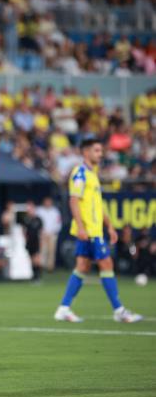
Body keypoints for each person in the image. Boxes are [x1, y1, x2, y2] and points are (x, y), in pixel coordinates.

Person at [54, 135, 142, 323]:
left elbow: (98, 206)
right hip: (89, 231)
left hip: (95, 230)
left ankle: (63, 308)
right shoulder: (80, 173)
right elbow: (73, 200)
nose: (100, 154)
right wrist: (81, 227)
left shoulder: (92, 174)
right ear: (85, 152)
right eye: (96, 150)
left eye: (101, 150)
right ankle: (119, 311)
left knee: (83, 266)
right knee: (106, 264)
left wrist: (109, 226)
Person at [36, 197, 61, 272]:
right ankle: (41, 266)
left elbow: (58, 223)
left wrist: (53, 231)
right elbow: (37, 222)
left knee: (51, 251)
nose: (47, 203)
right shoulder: (39, 210)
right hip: (42, 234)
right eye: (46, 202)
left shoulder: (55, 211)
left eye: (49, 202)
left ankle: (50, 267)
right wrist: (41, 231)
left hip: (52, 234)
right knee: (42, 250)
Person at [23, 201, 43, 281]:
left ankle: (38, 276)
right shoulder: (26, 219)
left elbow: (41, 232)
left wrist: (42, 242)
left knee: (37, 259)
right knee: (31, 259)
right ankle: (34, 276)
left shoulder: (38, 219)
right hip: (29, 242)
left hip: (36, 241)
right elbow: (24, 230)